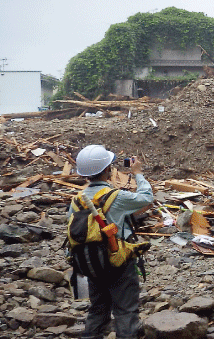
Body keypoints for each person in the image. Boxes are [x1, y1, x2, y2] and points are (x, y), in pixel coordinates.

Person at [69, 145, 153, 339]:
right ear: (107, 170)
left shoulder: (77, 200)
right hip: (118, 261)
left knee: (98, 308)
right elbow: (147, 198)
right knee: (125, 310)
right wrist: (138, 174)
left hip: (90, 263)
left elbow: (72, 234)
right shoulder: (117, 197)